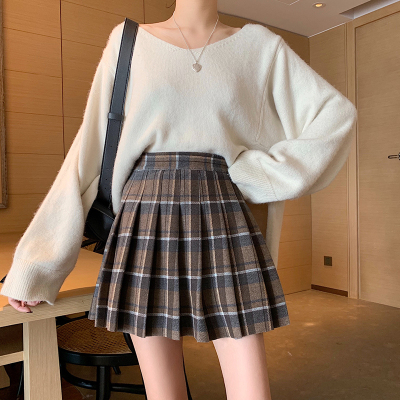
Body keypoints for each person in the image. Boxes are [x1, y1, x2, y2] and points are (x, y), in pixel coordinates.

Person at [1, 1, 358, 399]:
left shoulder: (259, 47)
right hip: (144, 217)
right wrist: (37, 265)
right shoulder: (128, 42)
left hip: (221, 211)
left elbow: (336, 116)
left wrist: (260, 174)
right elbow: (87, 152)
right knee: (164, 394)